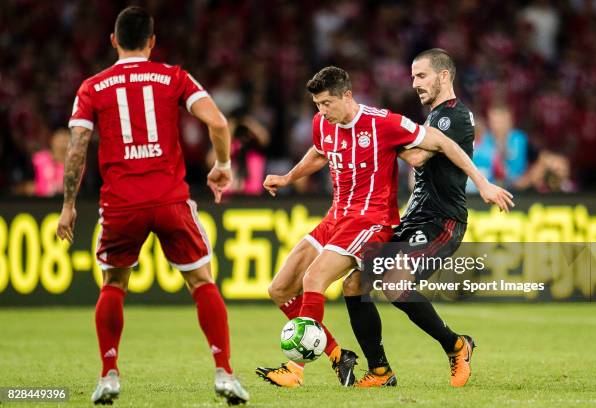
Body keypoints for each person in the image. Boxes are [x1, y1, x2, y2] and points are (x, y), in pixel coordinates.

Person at [256, 65, 513, 388]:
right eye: (317, 105)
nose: (322, 112)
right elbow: (320, 152)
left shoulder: (383, 123)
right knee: (280, 288)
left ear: (347, 96)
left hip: (371, 219)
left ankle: (296, 370)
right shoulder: (323, 123)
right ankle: (346, 359)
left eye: (327, 104)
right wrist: (288, 177)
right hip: (337, 217)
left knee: (316, 278)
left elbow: (442, 143)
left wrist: (483, 184)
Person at [55, 7, 249, 405]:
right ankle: (225, 373)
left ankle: (109, 375)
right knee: (203, 282)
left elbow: (77, 148)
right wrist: (223, 166)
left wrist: (68, 204)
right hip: (170, 199)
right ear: (152, 42)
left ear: (114, 40)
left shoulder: (92, 87)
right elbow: (218, 123)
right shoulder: (173, 76)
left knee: (113, 285)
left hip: (121, 205)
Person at [342, 48, 501, 388]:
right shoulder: (432, 118)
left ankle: (457, 346)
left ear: (444, 76)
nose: (414, 83)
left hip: (442, 222)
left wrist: (378, 132)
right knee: (355, 283)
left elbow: (415, 156)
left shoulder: (452, 117)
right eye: (413, 76)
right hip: (415, 217)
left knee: (395, 282)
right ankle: (380, 370)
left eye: (421, 75)